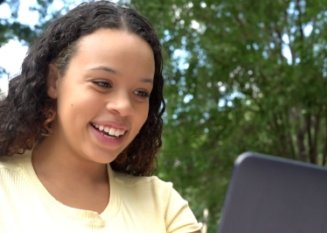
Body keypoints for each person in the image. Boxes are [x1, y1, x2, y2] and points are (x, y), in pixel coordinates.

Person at [0, 1, 202, 232]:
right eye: (103, 83)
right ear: (54, 81)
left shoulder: (162, 204)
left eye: (141, 92)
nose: (124, 107)